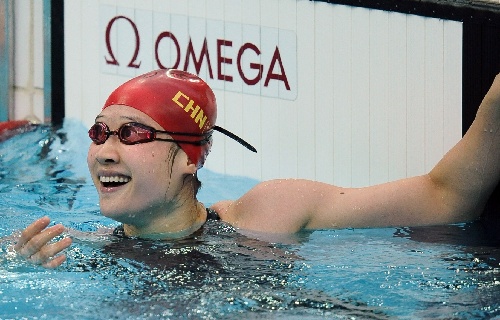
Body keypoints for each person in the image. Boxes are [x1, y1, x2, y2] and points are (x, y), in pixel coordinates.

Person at [13, 68, 500, 268]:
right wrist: (18, 264)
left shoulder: (270, 213)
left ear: (189, 157)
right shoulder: (75, 253)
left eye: (133, 133)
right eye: (98, 132)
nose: (104, 151)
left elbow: (447, 197)